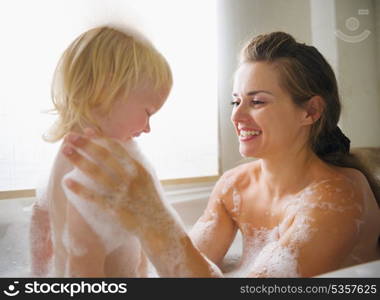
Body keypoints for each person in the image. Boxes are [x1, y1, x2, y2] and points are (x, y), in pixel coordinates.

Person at [61, 32, 380, 277]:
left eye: (257, 102)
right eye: (235, 101)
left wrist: (150, 213)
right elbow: (182, 269)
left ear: (310, 111)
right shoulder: (236, 187)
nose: (237, 116)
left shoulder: (337, 198)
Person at [29, 25, 172, 277]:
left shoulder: (71, 153)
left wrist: (38, 275)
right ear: (107, 91)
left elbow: (40, 219)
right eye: (148, 112)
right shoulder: (92, 168)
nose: (148, 128)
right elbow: (83, 262)